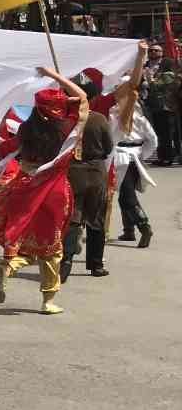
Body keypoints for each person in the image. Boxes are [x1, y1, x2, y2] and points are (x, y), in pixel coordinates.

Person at [0, 69, 88, 314]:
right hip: (54, 190)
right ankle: (48, 301)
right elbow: (82, 96)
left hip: (24, 186)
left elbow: (4, 147)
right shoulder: (67, 129)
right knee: (52, 246)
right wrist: (54, 74)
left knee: (26, 238)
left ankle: (10, 264)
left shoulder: (26, 130)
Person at [61, 71, 117, 281]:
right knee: (96, 220)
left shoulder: (67, 119)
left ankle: (65, 258)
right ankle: (95, 265)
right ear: (92, 98)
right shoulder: (99, 119)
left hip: (72, 171)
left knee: (73, 217)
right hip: (95, 172)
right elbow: (109, 147)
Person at [114, 93, 158, 249]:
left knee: (127, 197)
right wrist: (141, 154)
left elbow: (153, 140)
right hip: (125, 158)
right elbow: (152, 141)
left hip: (125, 159)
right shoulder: (116, 115)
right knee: (125, 195)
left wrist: (141, 155)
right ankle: (129, 230)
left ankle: (144, 227)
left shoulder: (136, 118)